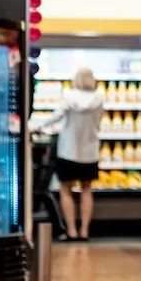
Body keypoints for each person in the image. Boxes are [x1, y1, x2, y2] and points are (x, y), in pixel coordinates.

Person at [39, 68, 105, 241]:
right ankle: (84, 230)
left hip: (69, 150)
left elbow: (56, 116)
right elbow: (98, 122)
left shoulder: (69, 96)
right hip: (90, 150)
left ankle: (71, 230)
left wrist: (38, 126)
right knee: (86, 188)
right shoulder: (99, 98)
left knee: (66, 189)